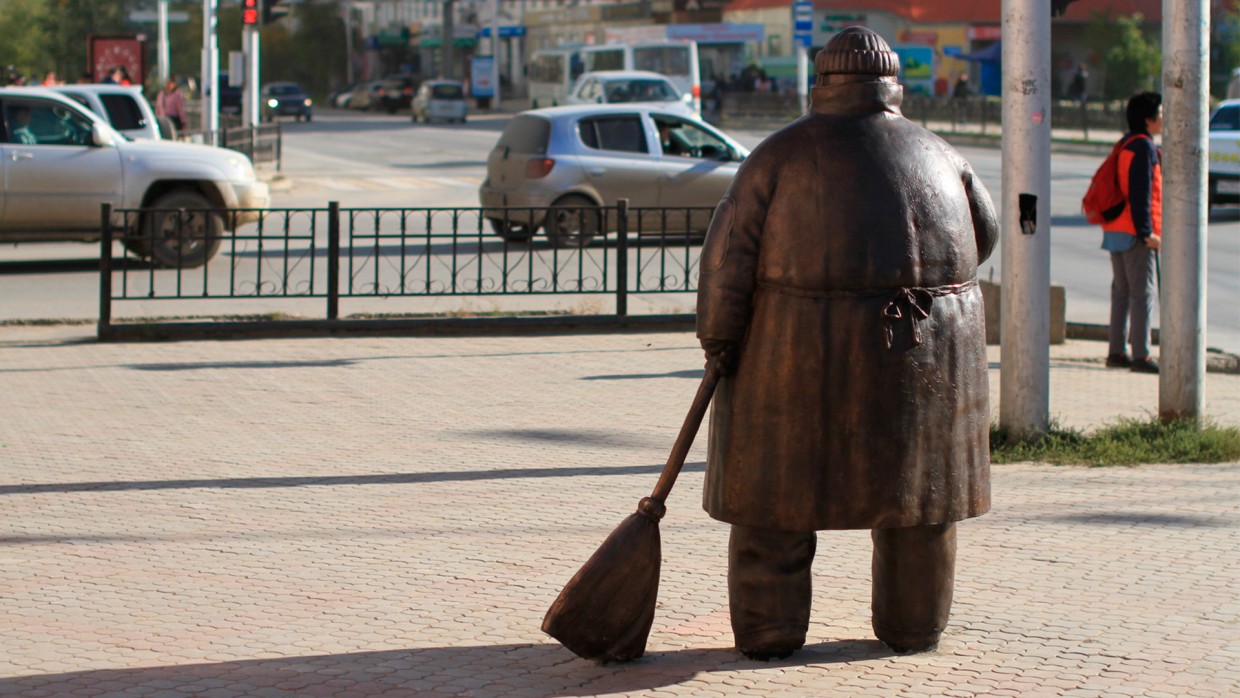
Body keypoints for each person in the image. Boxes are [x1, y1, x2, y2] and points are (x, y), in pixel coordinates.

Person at [695, 27, 998, 661]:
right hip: (922, 354)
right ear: (893, 86)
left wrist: (718, 341)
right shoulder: (943, 155)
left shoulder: (775, 158)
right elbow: (985, 234)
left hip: (793, 361)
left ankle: (769, 632)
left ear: (821, 84)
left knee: (773, 510)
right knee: (920, 507)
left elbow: (728, 262)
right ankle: (913, 628)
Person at [1102, 92, 1163, 374]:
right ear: (1149, 120)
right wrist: (1146, 232)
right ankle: (1141, 355)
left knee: (1122, 293)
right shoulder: (1144, 148)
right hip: (1134, 231)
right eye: (1161, 113)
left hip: (1115, 228)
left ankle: (1116, 352)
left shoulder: (1124, 143)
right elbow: (1141, 194)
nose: (1164, 118)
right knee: (1142, 294)